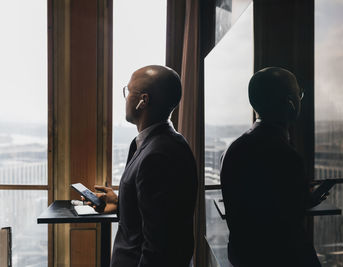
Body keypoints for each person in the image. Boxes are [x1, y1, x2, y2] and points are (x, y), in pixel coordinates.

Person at [86, 65, 198, 267]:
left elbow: (160, 247)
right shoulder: (164, 143)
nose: (126, 97)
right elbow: (157, 215)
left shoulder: (159, 155)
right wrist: (121, 203)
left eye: (128, 91)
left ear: (143, 100)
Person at [220, 67, 321, 267]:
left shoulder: (234, 148)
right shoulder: (284, 154)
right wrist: (304, 199)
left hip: (244, 257)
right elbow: (286, 222)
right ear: (290, 104)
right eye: (299, 95)